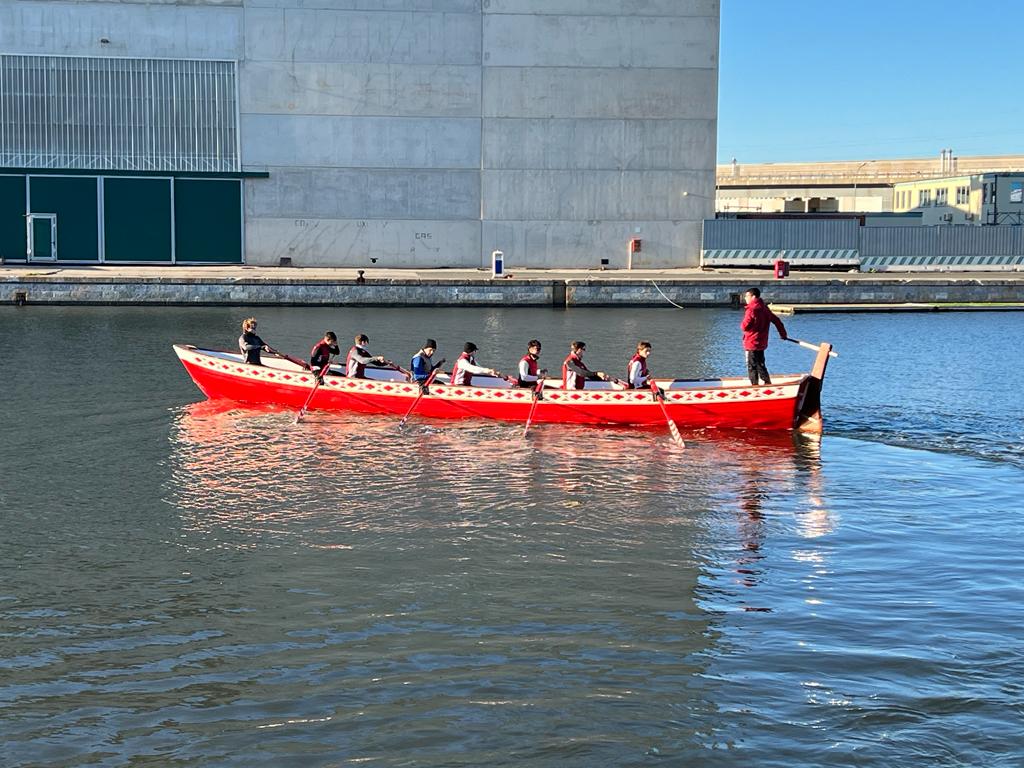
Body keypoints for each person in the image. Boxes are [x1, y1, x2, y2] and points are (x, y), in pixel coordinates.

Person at [741, 287, 788, 385]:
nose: (745, 298)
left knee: (752, 365)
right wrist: (783, 334)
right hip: (761, 342)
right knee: (760, 364)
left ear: (753, 297)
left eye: (747, 296)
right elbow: (777, 321)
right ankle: (767, 382)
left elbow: (745, 326)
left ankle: (754, 386)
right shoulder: (764, 308)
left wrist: (743, 325)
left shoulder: (751, 309)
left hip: (752, 342)